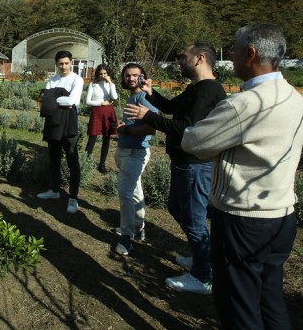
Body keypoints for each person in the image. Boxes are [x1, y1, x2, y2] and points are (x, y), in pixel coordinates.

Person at [182, 24, 303, 330]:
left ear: (250, 54)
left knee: (239, 306)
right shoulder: (293, 97)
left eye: (235, 50)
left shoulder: (246, 104)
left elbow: (193, 143)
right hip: (281, 215)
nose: (232, 57)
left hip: (243, 219)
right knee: (270, 299)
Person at [124, 44, 226, 294]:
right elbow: (171, 108)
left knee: (193, 219)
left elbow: (184, 127)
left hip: (195, 165)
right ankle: (201, 256)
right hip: (185, 163)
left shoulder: (208, 91)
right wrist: (151, 93)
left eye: (184, 57)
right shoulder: (197, 88)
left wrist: (147, 116)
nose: (180, 61)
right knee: (176, 207)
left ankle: (203, 276)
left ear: (200, 58)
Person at [114, 62, 157, 255]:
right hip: (126, 150)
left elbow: (152, 127)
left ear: (143, 77)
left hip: (135, 152)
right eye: (127, 75)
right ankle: (139, 227)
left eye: (135, 75)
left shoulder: (144, 97)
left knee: (125, 192)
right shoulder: (134, 96)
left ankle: (127, 237)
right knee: (134, 190)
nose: (130, 78)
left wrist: (127, 129)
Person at [37, 50, 84, 214]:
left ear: (71, 62)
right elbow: (46, 101)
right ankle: (54, 190)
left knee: (72, 160)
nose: (63, 66)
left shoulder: (77, 80)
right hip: (53, 122)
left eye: (66, 63)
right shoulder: (52, 79)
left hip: (69, 122)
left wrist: (55, 98)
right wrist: (60, 99)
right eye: (60, 63)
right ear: (56, 64)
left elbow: (72, 101)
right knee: (54, 158)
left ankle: (73, 197)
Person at [84, 64, 118, 174]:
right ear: (97, 74)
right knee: (92, 139)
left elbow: (115, 97)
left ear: (108, 73)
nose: (103, 75)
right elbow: (88, 101)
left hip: (108, 112)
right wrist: (101, 103)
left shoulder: (110, 84)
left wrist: (111, 83)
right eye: (101, 74)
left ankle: (102, 164)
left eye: (105, 73)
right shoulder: (93, 84)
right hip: (97, 112)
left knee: (106, 139)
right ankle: (85, 162)